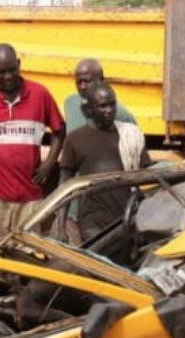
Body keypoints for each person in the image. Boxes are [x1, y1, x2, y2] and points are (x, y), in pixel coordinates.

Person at [0, 43, 66, 250]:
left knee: (29, 256)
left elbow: (59, 130)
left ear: (19, 64)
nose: (8, 76)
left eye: (12, 69)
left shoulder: (39, 94)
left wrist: (49, 163)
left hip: (29, 194)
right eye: (2, 72)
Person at [60, 82, 150, 240]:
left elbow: (147, 179)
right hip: (93, 222)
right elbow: (64, 187)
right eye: (102, 106)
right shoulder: (75, 140)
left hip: (126, 219)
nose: (109, 111)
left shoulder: (130, 136)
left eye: (112, 104)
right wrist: (61, 226)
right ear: (89, 110)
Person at [64, 58, 136, 134]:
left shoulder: (118, 113)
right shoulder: (70, 103)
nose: (82, 86)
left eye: (86, 81)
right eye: (79, 82)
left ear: (101, 80)